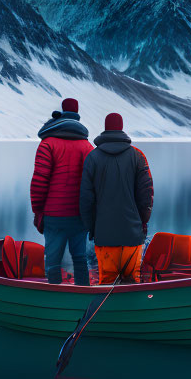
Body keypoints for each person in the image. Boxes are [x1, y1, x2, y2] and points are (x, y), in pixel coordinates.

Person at [79, 112, 153, 284]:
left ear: (106, 128)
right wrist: (142, 223)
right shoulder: (137, 156)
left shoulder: (92, 158)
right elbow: (146, 195)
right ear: (121, 128)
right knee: (132, 282)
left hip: (104, 236)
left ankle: (108, 311)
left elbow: (86, 199)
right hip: (132, 235)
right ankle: (132, 310)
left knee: (106, 283)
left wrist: (92, 227)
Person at [30, 98, 94, 285]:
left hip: (53, 214)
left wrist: (38, 211)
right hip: (78, 214)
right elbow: (91, 184)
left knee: (52, 260)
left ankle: (56, 297)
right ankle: (83, 297)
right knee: (80, 258)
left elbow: (39, 181)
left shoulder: (47, 144)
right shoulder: (87, 147)